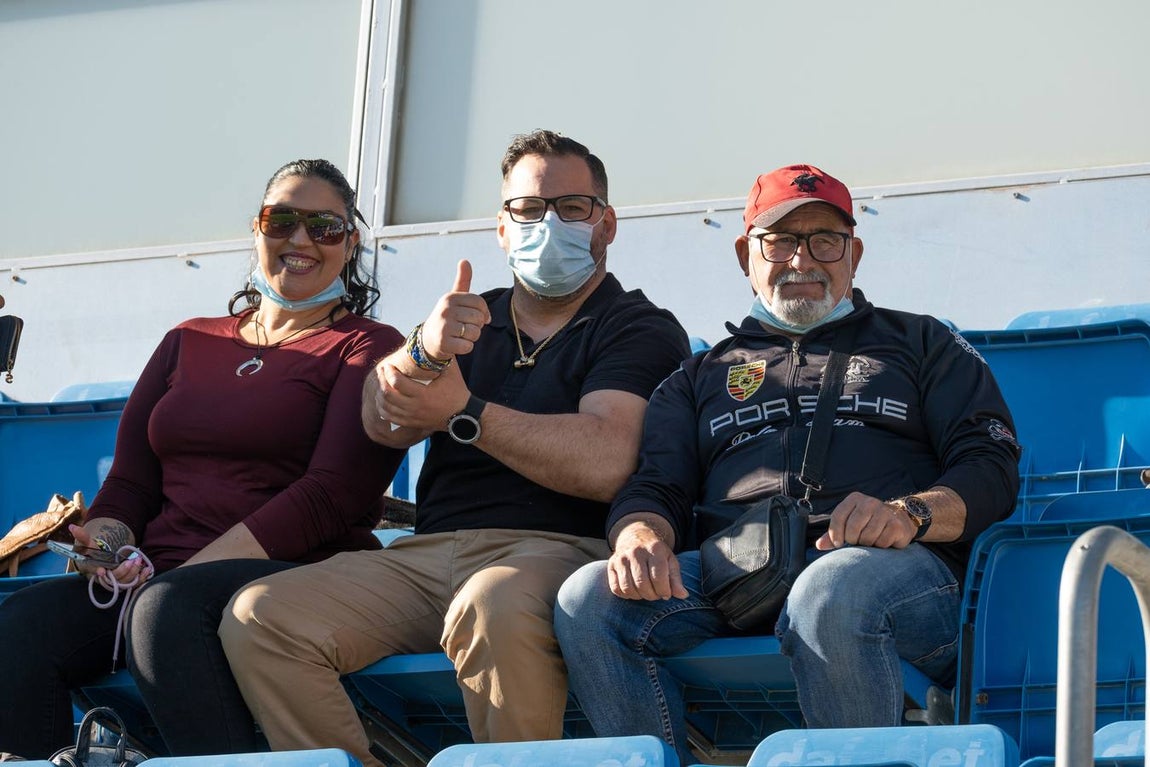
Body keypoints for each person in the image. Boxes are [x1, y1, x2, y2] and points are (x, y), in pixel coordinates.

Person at [218, 130, 691, 766]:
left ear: (605, 225)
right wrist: (423, 352)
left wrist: (465, 414)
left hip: (556, 550)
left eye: (571, 208)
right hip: (427, 556)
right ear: (502, 228)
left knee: (490, 604)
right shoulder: (466, 319)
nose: (546, 223)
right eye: (527, 209)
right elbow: (381, 424)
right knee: (259, 617)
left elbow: (606, 462)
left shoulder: (636, 325)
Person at [554, 164, 1022, 764]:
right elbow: (656, 485)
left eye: (824, 240)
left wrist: (908, 514)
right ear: (745, 252)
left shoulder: (924, 342)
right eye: (779, 241)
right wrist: (641, 534)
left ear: (854, 253)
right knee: (589, 597)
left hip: (897, 577)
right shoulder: (696, 377)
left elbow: (991, 466)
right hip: (736, 574)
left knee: (831, 589)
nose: (802, 259)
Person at [0, 158, 406, 759]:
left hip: (290, 575)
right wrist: (107, 541)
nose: (299, 239)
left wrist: (187, 570)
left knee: (165, 613)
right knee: (20, 626)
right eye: (282, 220)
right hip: (160, 579)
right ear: (256, 228)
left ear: (350, 243)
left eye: (323, 227)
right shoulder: (187, 339)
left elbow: (333, 494)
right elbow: (133, 482)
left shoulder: (370, 345)